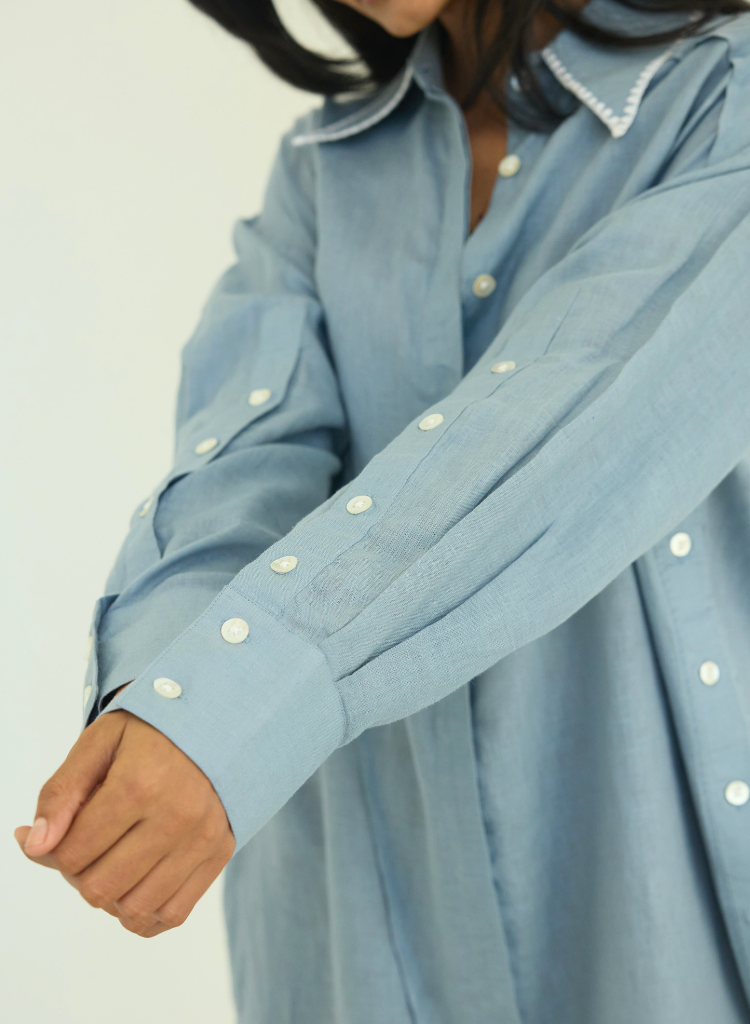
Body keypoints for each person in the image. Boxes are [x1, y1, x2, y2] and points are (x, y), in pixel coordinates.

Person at [15, 0, 750, 1019]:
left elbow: (576, 413)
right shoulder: (323, 175)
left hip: (645, 913)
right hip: (358, 938)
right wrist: (163, 696)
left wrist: (240, 700)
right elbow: (242, 470)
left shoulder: (725, 98)